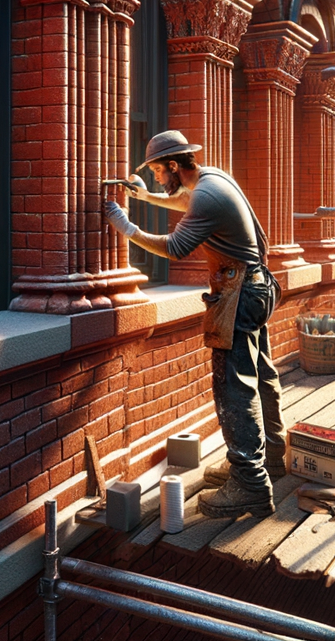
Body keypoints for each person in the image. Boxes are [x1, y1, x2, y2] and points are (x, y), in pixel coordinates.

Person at [104, 130, 287, 519]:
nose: (155, 178)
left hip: (239, 294)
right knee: (261, 375)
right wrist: (144, 197)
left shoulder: (205, 195)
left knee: (234, 388)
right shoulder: (213, 178)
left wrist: (127, 228)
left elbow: (174, 247)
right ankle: (271, 458)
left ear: (173, 165)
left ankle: (250, 483)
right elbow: (183, 200)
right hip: (256, 287)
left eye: (156, 171)